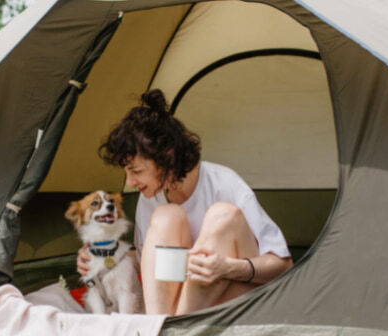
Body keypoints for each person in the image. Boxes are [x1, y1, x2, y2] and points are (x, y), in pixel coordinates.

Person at [77, 89, 293, 315]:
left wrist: (229, 268)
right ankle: (164, 327)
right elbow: (147, 264)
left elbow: (283, 266)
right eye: (127, 173)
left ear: (167, 157)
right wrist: (104, 256)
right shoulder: (151, 197)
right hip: (187, 307)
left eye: (137, 171)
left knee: (223, 215)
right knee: (166, 215)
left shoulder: (225, 184)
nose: (130, 182)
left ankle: (170, 332)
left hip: (238, 298)